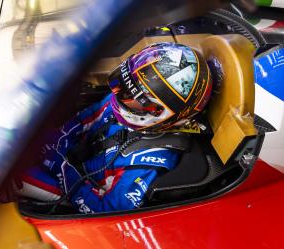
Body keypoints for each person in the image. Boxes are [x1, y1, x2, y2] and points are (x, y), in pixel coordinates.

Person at [18, 42, 212, 213]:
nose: (121, 97)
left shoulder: (148, 163)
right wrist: (53, 145)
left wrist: (62, 168)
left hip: (73, 195)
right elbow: (81, 121)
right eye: (125, 86)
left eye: (137, 101)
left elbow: (104, 209)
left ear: (165, 114)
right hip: (69, 160)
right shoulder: (122, 99)